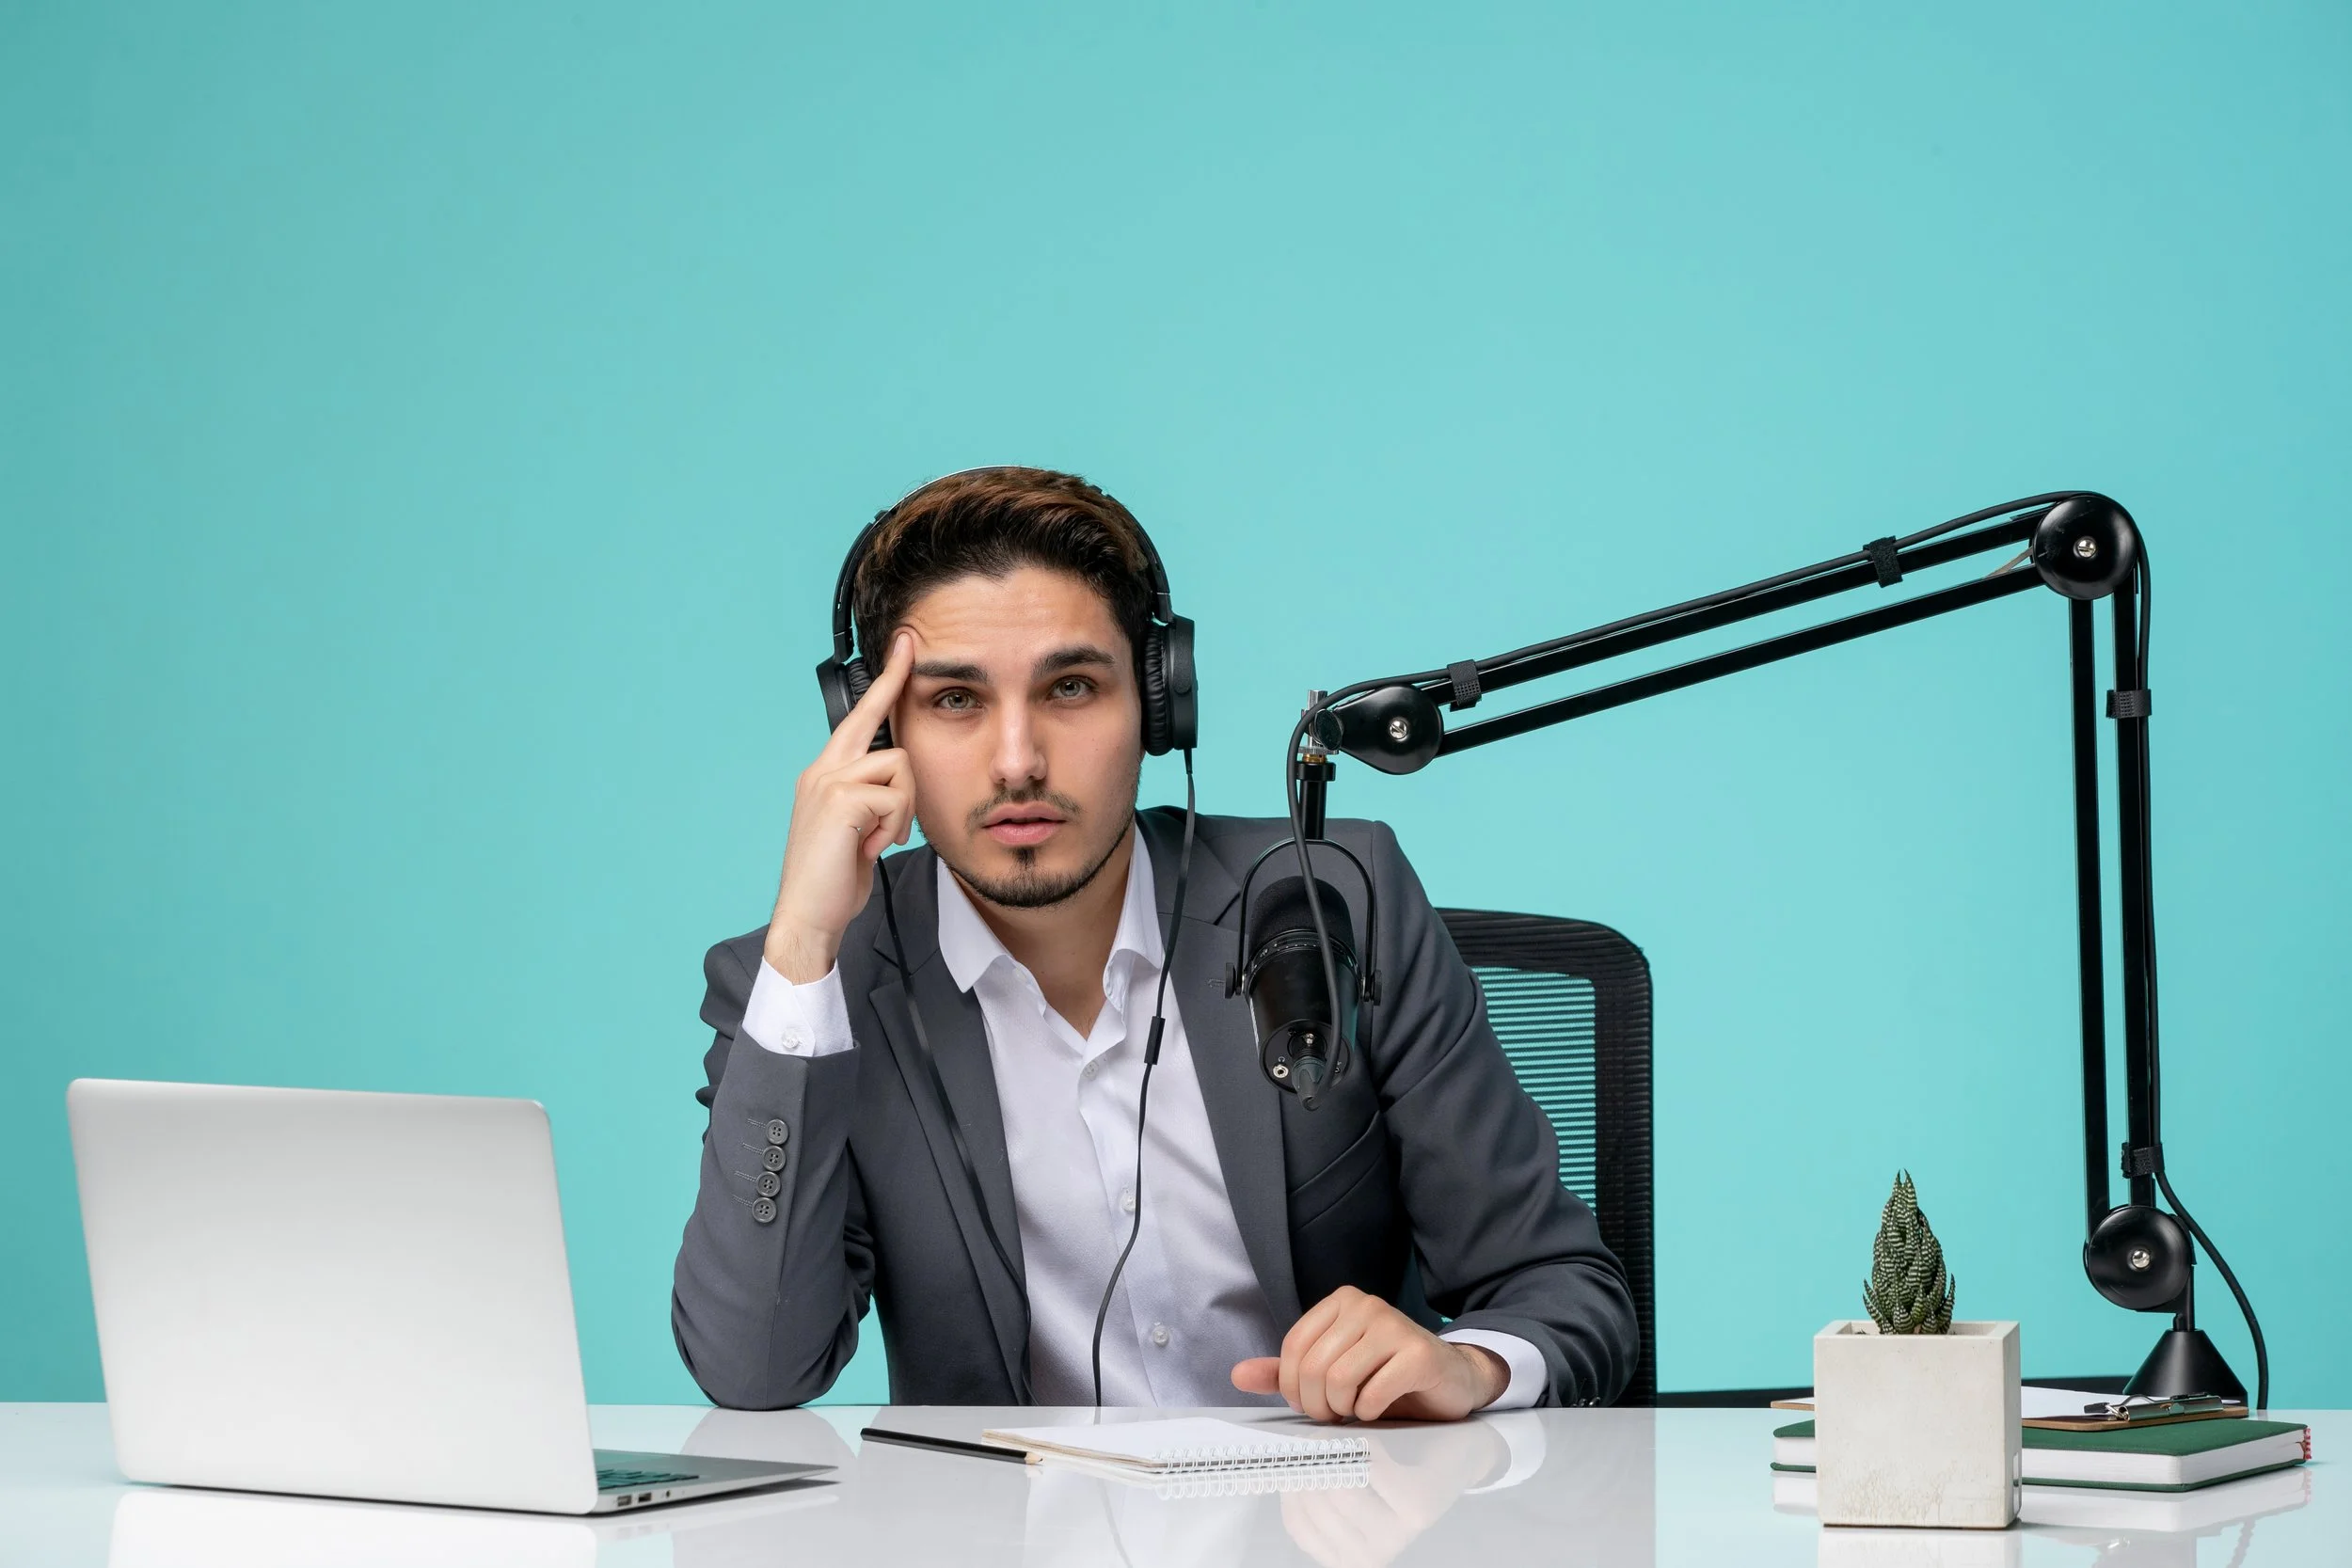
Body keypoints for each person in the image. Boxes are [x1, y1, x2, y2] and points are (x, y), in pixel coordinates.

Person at [672, 467, 1637, 1419]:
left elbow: (1563, 1288)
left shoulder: (1336, 894)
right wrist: (803, 945)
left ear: (1159, 704)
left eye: (1072, 686)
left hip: (1341, 1529)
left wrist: (1468, 1366)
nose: (1017, 761)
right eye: (955, 700)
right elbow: (755, 1365)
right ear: (873, 731)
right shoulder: (812, 984)